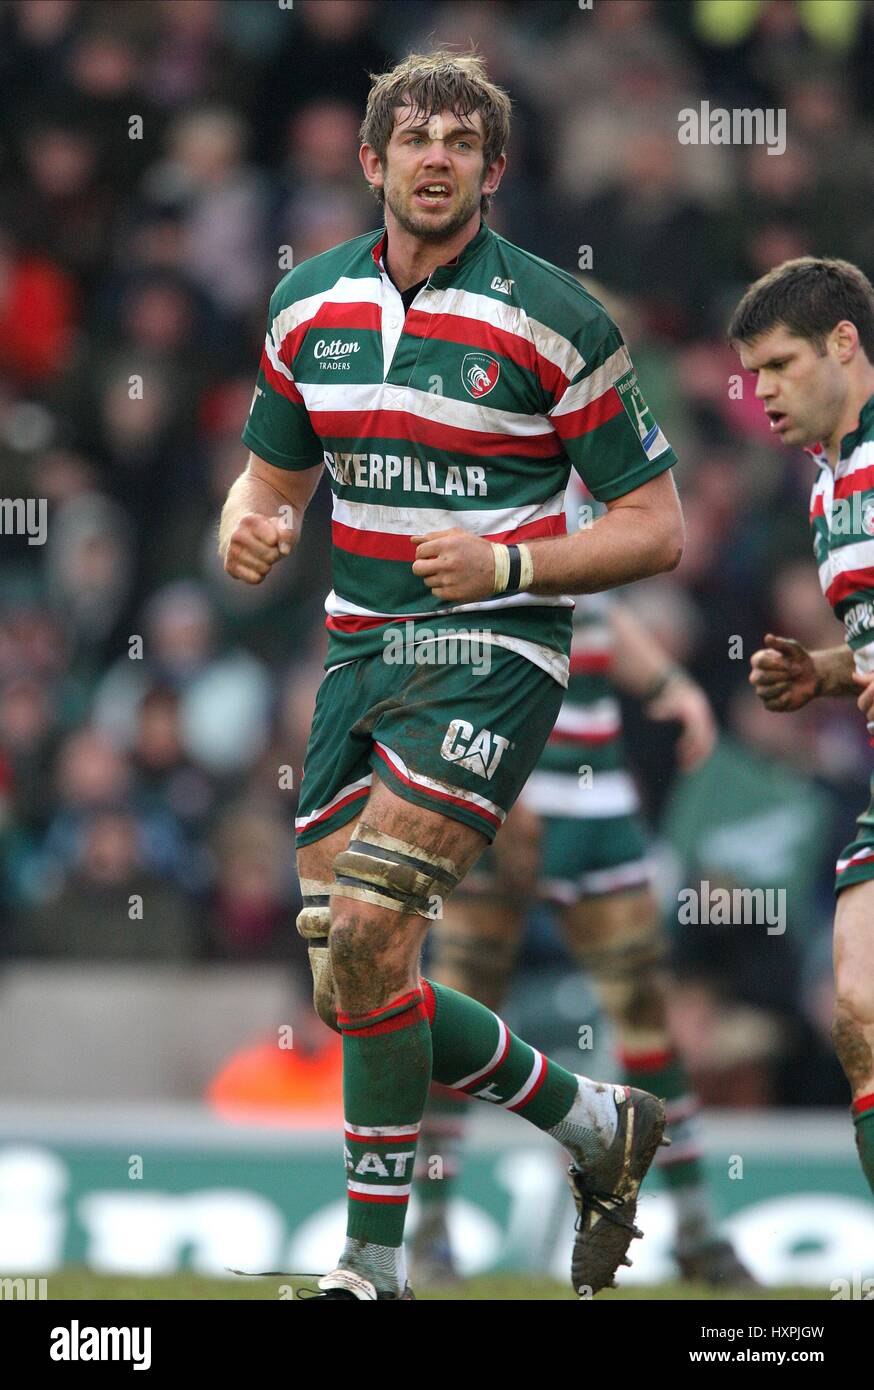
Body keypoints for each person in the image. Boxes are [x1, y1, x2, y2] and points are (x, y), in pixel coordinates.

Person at [219, 50, 684, 1301]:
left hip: (496, 654)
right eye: (413, 137)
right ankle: (592, 1119)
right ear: (370, 161)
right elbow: (268, 483)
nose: (435, 157)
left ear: (493, 167)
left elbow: (656, 526)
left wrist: (510, 561)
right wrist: (242, 527)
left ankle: (370, 1267)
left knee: (373, 924)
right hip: (356, 653)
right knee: (349, 969)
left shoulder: (555, 316)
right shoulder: (305, 304)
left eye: (459, 142)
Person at [411, 573, 754, 1286]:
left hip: (597, 805)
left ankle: (695, 1231)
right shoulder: (493, 479)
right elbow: (444, 634)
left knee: (646, 1016)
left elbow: (595, 607)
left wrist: (666, 682)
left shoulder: (584, 487)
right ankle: (430, 1232)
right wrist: (499, 777)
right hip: (497, 790)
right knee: (454, 1013)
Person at [730, 256, 874, 1197]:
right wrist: (822, 673)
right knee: (858, 1011)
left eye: (780, 365)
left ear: (844, 344)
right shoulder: (827, 485)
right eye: (752, 375)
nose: (763, 393)